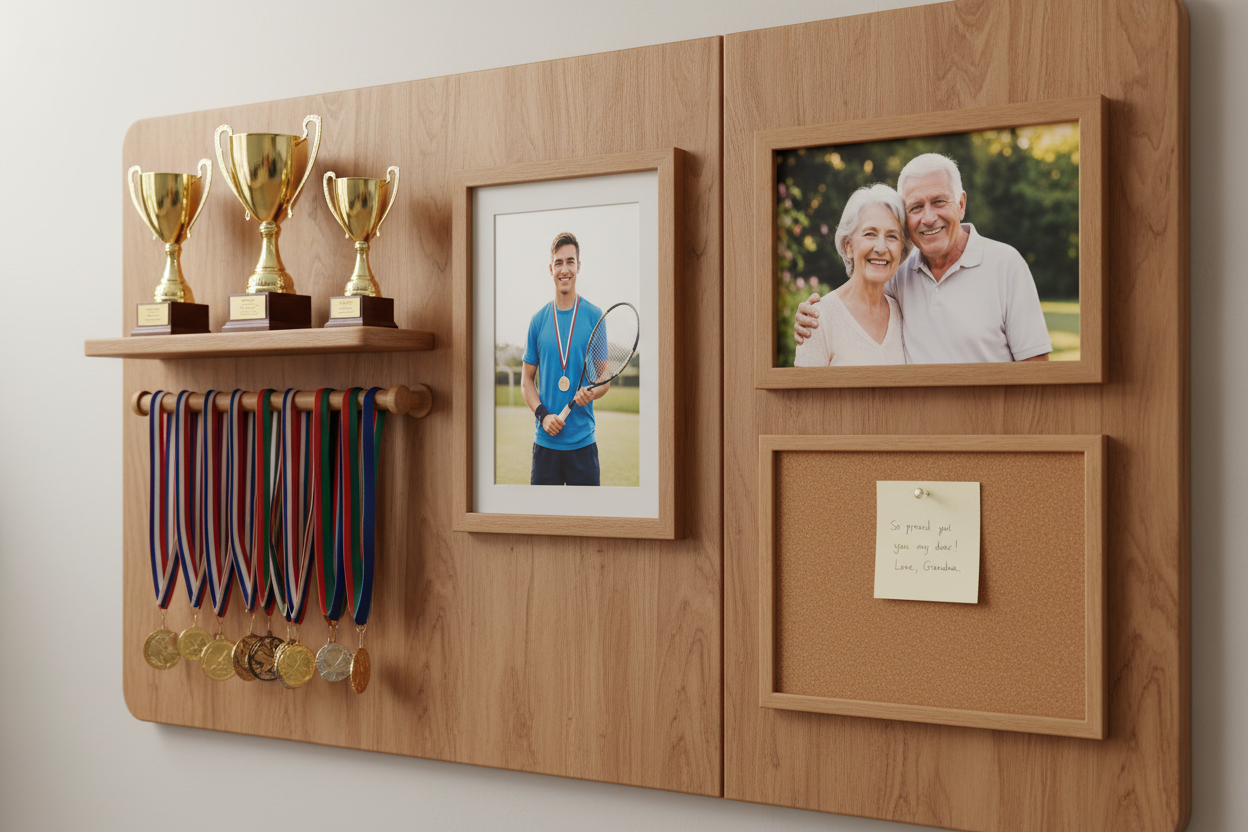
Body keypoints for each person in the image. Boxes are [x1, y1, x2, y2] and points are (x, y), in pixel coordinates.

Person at [794, 153, 1052, 363]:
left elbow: (1036, 370)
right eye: (916, 207)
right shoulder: (899, 273)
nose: (928, 218)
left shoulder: (1007, 265)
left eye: (939, 201)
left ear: (961, 204)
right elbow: (857, 300)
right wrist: (813, 314)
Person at [521, 232, 607, 486]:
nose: (564, 269)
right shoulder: (538, 321)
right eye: (558, 263)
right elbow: (526, 380)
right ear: (551, 268)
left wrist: (591, 392)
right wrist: (544, 416)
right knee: (543, 525)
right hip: (546, 446)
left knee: (586, 525)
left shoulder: (595, 316)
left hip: (583, 447)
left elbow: (604, 378)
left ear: (578, 266)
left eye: (570, 261)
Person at [794, 184, 909, 366]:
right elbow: (803, 394)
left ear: (902, 249)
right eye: (870, 234)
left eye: (892, 236)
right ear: (849, 246)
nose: (881, 248)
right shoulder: (818, 319)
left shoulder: (905, 312)